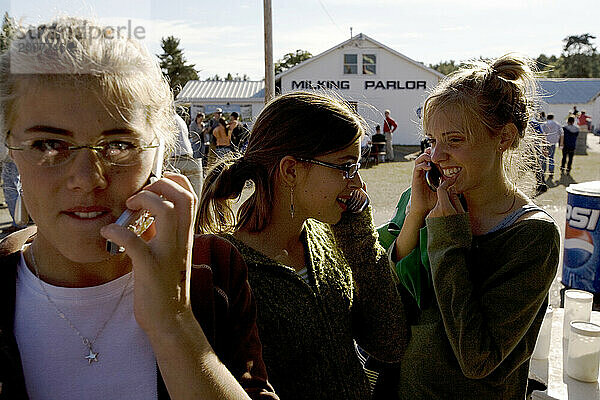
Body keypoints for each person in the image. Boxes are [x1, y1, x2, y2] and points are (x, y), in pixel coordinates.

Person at [0, 17, 277, 400]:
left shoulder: (210, 270)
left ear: (158, 156)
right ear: (10, 150)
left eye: (118, 145)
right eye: (48, 144)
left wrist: (174, 322)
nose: (87, 178)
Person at [198, 91, 408, 400]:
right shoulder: (226, 268)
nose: (359, 183)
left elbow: (390, 343)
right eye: (346, 167)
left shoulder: (331, 237)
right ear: (291, 170)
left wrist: (359, 240)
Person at [380, 54, 560, 399]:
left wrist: (447, 239)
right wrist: (416, 215)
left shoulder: (531, 235)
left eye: (455, 140)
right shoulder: (432, 202)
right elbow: (390, 307)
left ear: (504, 138)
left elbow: (476, 358)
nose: (435, 156)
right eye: (431, 141)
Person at [172, 112, 203, 201]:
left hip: (176, 160)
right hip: (190, 158)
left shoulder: (166, 120)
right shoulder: (179, 119)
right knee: (195, 199)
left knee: (176, 200)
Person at [542, 113, 562, 179]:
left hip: (545, 142)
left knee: (544, 158)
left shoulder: (544, 124)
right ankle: (551, 172)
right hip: (553, 143)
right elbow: (561, 133)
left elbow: (542, 134)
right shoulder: (557, 124)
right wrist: (560, 143)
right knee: (551, 157)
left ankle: (544, 171)